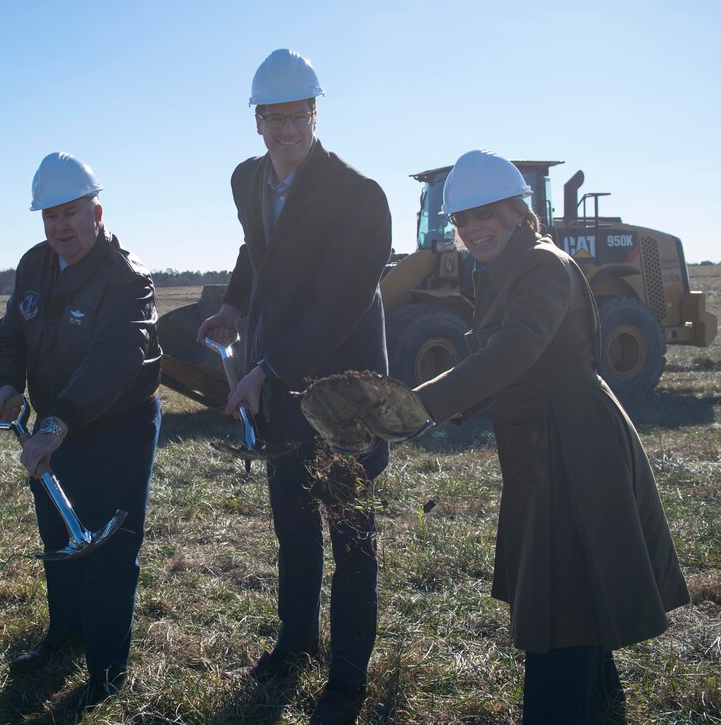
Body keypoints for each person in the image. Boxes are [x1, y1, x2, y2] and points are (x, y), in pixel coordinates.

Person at [411, 150, 689, 723]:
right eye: (462, 219)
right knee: (577, 578)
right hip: (543, 438)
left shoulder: (540, 265)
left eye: (485, 213)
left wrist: (421, 405)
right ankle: (600, 702)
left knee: (563, 596)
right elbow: (503, 364)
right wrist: (439, 409)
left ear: (518, 211)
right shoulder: (502, 268)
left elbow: (512, 351)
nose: (472, 228)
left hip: (574, 441)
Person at [197, 49, 392, 725]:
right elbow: (257, 248)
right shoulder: (247, 179)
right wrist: (233, 304)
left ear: (316, 114)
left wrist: (268, 368)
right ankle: (295, 643)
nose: (287, 130)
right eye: (274, 118)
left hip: (345, 393)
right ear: (257, 121)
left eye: (298, 117)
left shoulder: (360, 196)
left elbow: (340, 305)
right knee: (293, 521)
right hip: (278, 385)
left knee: (351, 536)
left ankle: (347, 679)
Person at [0, 152, 161, 716]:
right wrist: (7, 383)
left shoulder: (127, 279)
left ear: (97, 213)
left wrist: (58, 422)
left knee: (110, 550)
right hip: (52, 428)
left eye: (71, 213)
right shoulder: (35, 265)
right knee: (60, 538)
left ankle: (106, 671)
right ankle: (63, 638)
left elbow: (113, 362)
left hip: (115, 430)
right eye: (50, 215)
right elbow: (11, 333)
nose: (60, 227)